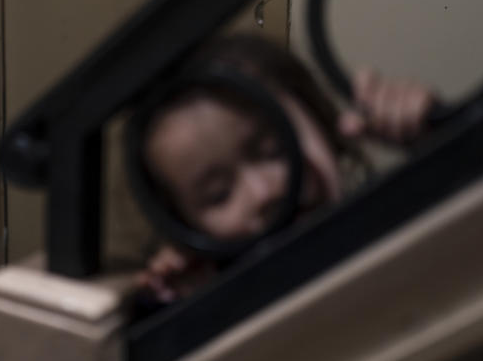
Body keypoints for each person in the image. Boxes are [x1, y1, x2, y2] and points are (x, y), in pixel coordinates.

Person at [133, 33, 435, 302]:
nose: (264, 192)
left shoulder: (404, 218)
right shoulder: (217, 299)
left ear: (321, 120)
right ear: (188, 229)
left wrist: (438, 148)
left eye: (274, 150)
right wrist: (198, 302)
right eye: (219, 194)